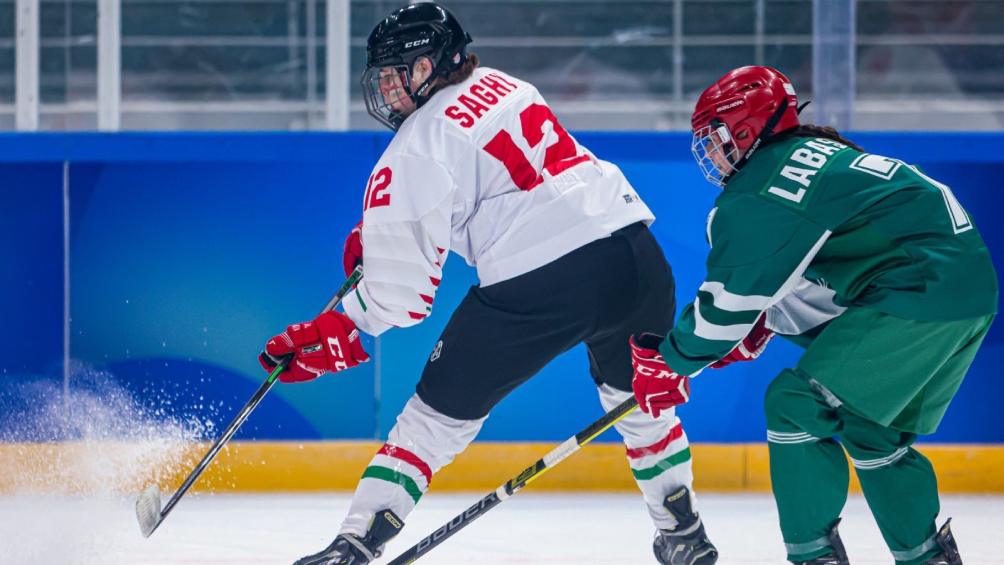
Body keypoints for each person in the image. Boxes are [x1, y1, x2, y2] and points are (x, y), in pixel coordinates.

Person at [258, 3, 718, 564]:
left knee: (432, 419)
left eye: (393, 74)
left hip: (543, 283)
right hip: (635, 256)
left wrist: (343, 326)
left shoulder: (410, 151)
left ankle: (354, 544)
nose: (384, 89)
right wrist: (390, 233)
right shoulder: (506, 85)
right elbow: (501, 186)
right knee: (640, 403)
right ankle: (683, 532)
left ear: (428, 66)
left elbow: (402, 301)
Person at [629, 65, 997, 565]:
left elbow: (730, 301)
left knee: (792, 403)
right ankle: (925, 556)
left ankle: (813, 556)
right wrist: (765, 319)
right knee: (872, 430)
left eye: (714, 137)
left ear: (745, 127)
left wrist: (673, 359)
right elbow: (820, 265)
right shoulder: (816, 156)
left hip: (918, 289)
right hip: (962, 289)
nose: (710, 153)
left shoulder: (761, 186)